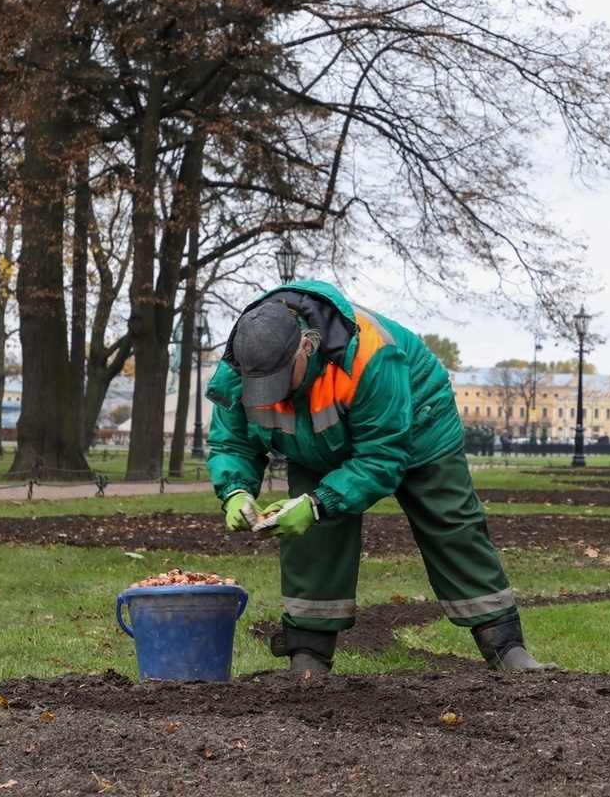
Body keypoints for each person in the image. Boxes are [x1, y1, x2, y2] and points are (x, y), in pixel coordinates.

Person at [205, 280, 554, 675]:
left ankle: (505, 646)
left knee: (450, 523)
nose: (272, 392)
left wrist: (318, 503)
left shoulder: (372, 355)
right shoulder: (243, 363)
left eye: (283, 377)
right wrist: (235, 490)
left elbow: (382, 457)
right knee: (311, 539)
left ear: (307, 344)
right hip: (315, 442)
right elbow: (230, 441)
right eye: (262, 384)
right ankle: (307, 656)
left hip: (420, 428)